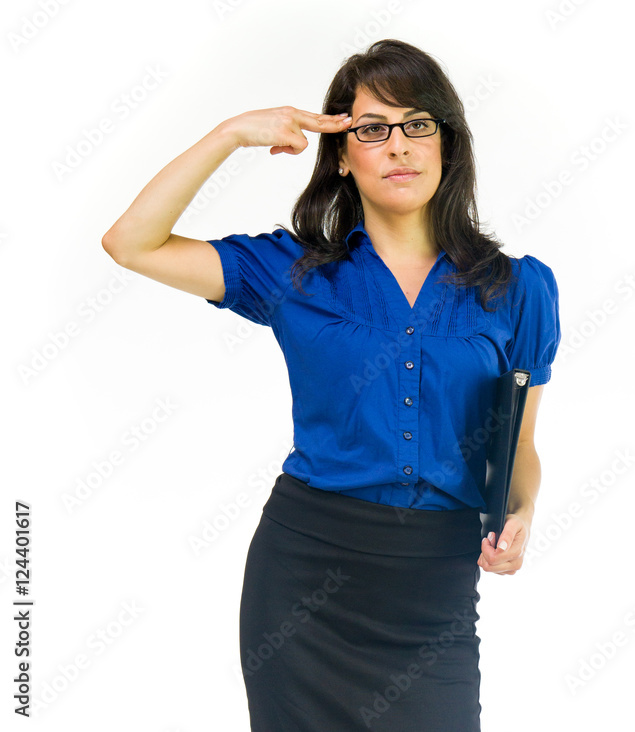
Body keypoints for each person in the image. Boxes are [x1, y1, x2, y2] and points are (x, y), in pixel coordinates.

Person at [101, 39, 561, 731]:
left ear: (446, 144)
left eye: (417, 125)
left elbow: (520, 442)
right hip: (305, 580)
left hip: (432, 586)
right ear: (342, 156)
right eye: (372, 129)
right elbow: (131, 242)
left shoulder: (518, 287)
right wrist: (230, 135)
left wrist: (521, 511)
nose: (399, 146)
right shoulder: (291, 272)